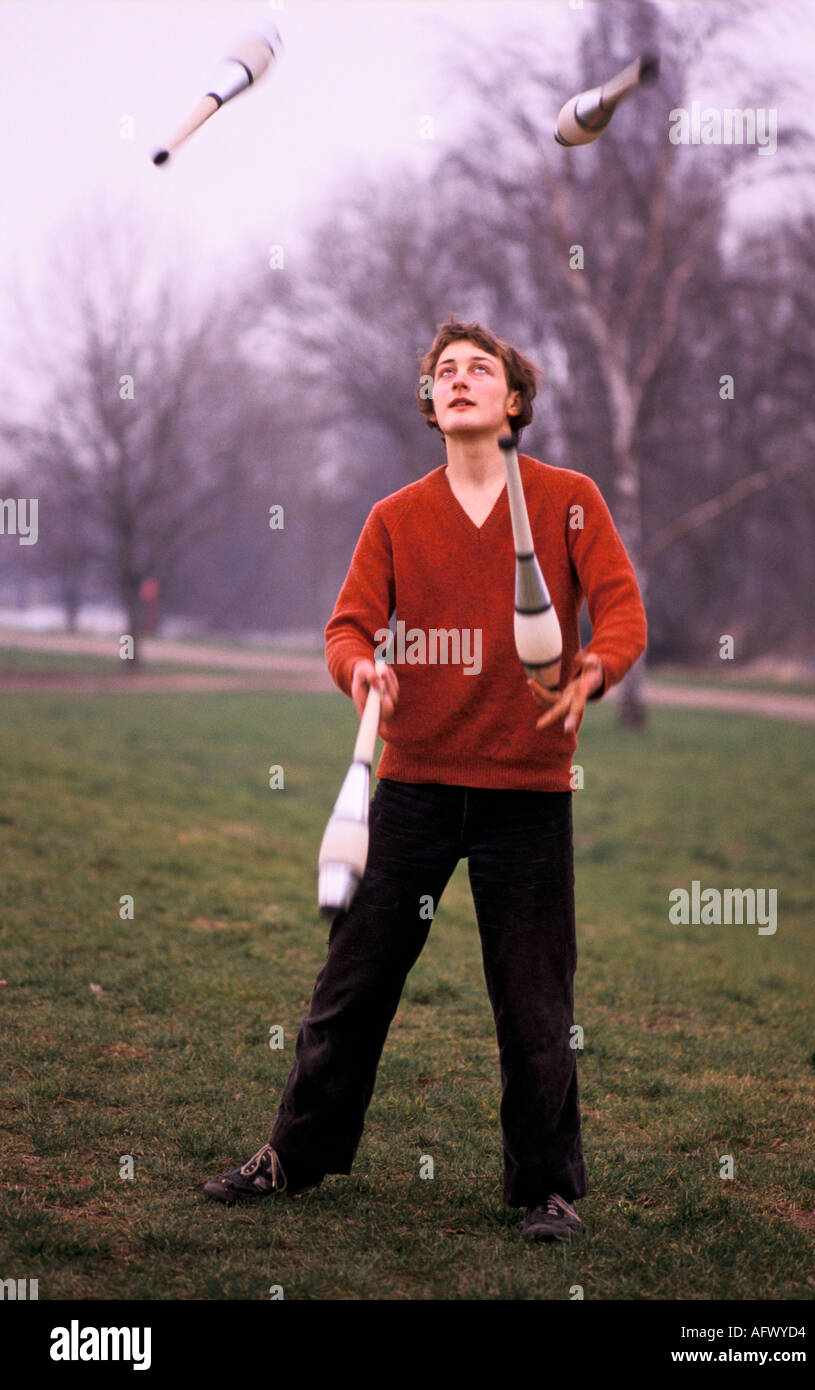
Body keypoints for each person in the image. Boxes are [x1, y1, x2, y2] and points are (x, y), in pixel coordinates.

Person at [204, 319, 647, 1240]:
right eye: (443, 371)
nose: (459, 380)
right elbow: (347, 628)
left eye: (479, 370)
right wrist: (360, 669)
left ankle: (548, 1190)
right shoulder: (396, 517)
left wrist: (594, 672)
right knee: (353, 979)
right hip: (410, 787)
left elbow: (622, 612)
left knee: (534, 1000)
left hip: (527, 792)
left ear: (513, 401)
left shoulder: (568, 500)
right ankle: (294, 1154)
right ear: (428, 403)